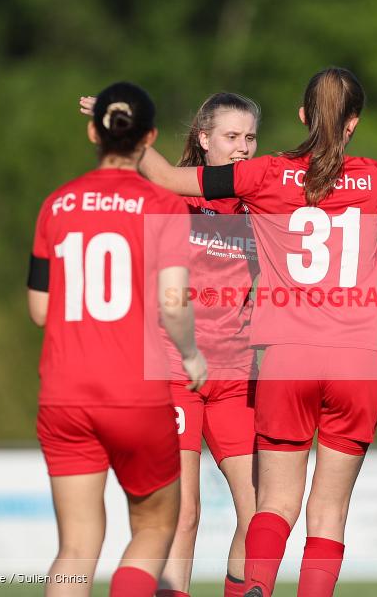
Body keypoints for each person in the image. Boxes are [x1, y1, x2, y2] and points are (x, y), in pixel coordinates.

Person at [136, 67, 377, 597]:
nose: (243, 147)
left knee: (271, 506)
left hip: (284, 361)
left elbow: (170, 177)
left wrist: (128, 131)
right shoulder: (373, 180)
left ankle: (255, 589)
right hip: (358, 361)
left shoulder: (265, 175)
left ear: (301, 116)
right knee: (328, 510)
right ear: (354, 122)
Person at [80, 91, 263, 597]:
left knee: (260, 515)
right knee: (184, 514)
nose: (243, 148)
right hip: (175, 370)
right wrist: (121, 122)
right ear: (204, 141)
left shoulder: (258, 201)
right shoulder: (172, 197)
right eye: (231, 137)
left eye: (250, 137)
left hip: (236, 377)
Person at [28, 81, 207, 597]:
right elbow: (173, 305)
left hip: (63, 392)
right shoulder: (165, 207)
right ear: (149, 137)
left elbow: (39, 310)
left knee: (76, 546)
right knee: (153, 528)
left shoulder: (55, 205)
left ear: (93, 131)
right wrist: (192, 357)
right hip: (135, 392)